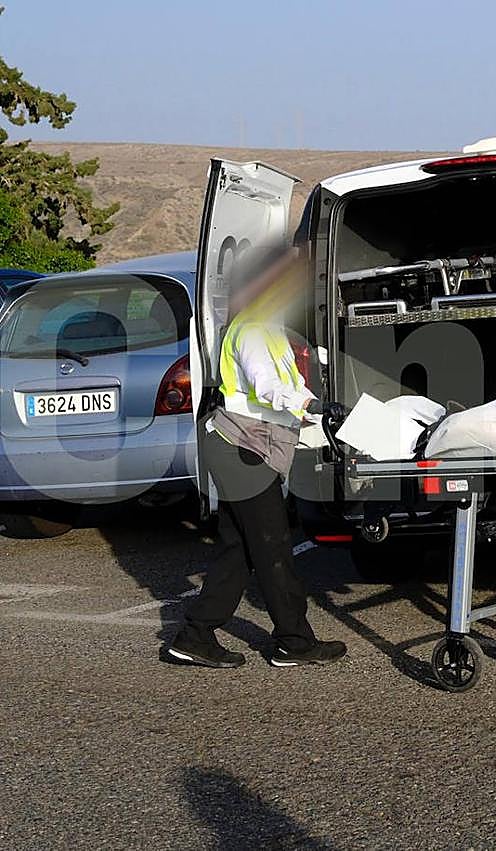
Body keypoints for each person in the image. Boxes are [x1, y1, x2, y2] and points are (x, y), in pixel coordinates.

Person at [167, 245, 346, 669]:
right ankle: (293, 641)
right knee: (272, 546)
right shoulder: (249, 330)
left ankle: (195, 635)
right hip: (239, 448)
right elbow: (266, 386)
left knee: (241, 548)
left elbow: (287, 388)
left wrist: (317, 405)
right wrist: (307, 408)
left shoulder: (270, 330)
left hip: (247, 445)